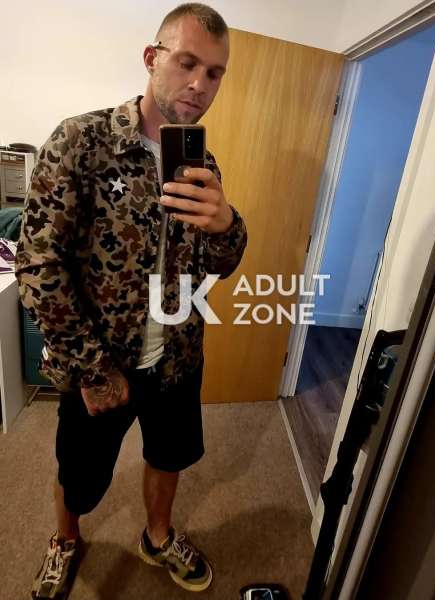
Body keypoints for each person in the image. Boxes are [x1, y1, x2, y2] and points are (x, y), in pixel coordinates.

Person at [15, 3, 247, 597]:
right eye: (187, 63)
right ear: (152, 58)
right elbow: (38, 266)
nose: (200, 84)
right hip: (99, 362)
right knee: (79, 471)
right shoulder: (81, 141)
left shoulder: (201, 163)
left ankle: (157, 536)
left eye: (214, 72)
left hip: (177, 357)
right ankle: (65, 540)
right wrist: (93, 368)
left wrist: (227, 225)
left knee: (170, 455)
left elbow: (219, 266)